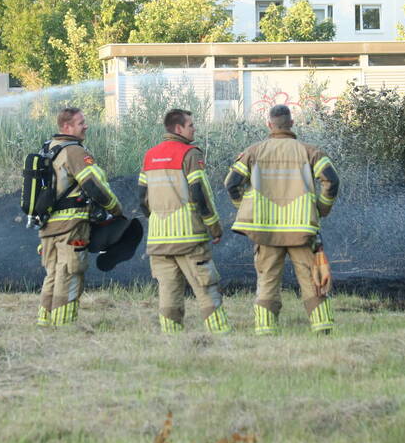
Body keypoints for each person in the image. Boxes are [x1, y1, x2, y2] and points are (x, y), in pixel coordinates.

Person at [224, 104, 340, 335]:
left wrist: (245, 208)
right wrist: (320, 209)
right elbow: (332, 181)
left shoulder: (253, 152)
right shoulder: (310, 151)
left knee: (267, 280)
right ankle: (322, 327)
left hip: (265, 231)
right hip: (301, 230)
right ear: (292, 123)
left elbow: (231, 183)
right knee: (311, 280)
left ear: (269, 124)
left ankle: (265, 329)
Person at [139, 109, 229, 334]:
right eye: (191, 125)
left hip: (159, 240)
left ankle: (170, 335)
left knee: (168, 290)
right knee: (205, 286)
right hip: (190, 238)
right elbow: (200, 194)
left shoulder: (150, 156)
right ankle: (220, 332)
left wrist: (157, 219)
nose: (194, 128)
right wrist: (214, 226)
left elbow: (142, 198)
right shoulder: (189, 154)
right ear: (178, 128)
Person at [37, 107, 123, 326]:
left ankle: (45, 322)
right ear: (67, 127)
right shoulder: (74, 151)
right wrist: (115, 209)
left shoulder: (48, 149)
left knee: (53, 275)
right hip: (71, 226)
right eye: (81, 122)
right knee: (70, 273)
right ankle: (64, 326)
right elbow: (93, 186)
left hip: (48, 227)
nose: (86, 126)